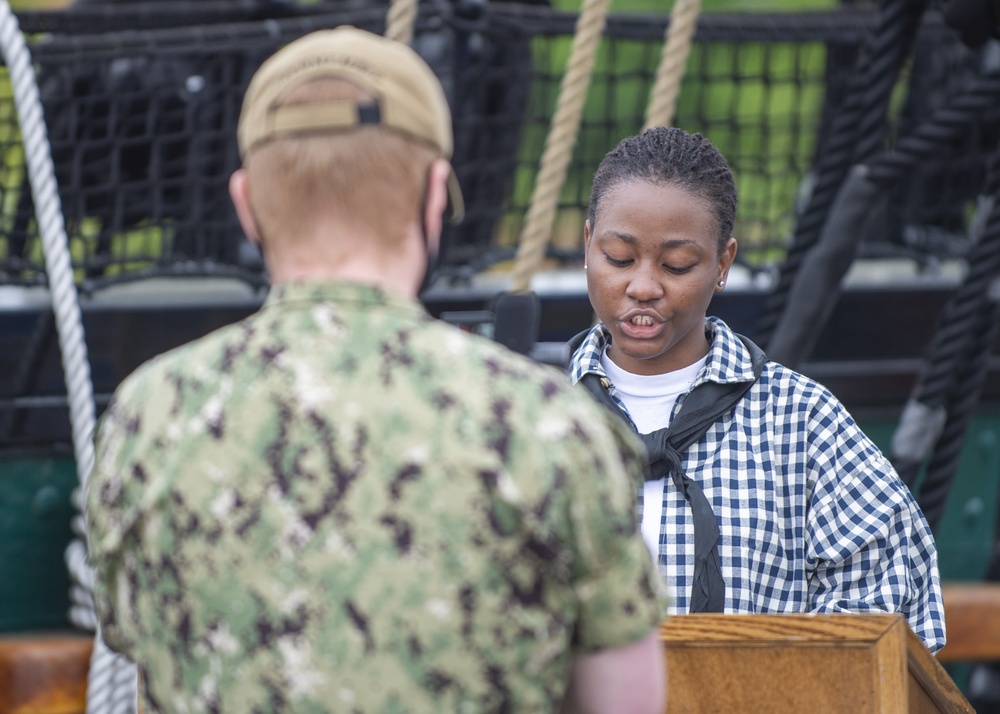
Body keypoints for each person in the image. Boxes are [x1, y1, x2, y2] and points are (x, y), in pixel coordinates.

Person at [85, 27, 668, 713]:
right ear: (434, 194)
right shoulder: (553, 430)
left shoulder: (147, 418)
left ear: (245, 206)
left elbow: (132, 638)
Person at [568, 125, 947, 653]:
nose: (644, 287)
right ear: (588, 245)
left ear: (723, 264)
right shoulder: (530, 415)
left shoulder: (802, 422)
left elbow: (889, 612)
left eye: (677, 265)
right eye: (618, 258)